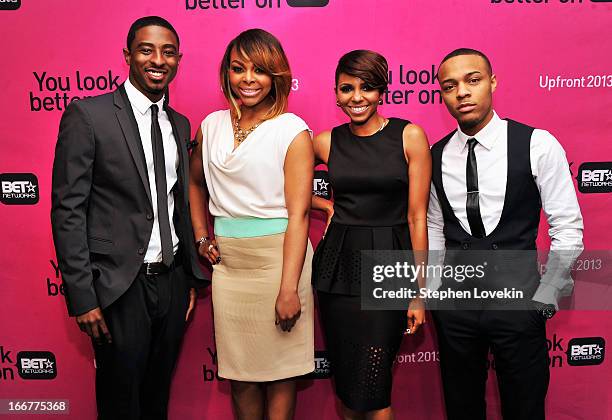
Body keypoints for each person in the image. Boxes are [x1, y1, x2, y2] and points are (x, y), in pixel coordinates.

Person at [51, 16, 207, 420]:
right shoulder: (89, 116)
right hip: (119, 286)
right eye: (146, 49)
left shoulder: (180, 123)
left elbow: (179, 204)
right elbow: (68, 211)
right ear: (128, 56)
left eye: (168, 52)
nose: (158, 59)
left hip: (171, 284)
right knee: (121, 403)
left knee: (157, 399)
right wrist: (83, 296)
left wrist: (187, 275)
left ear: (178, 60)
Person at [428, 48, 584, 420]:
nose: (462, 92)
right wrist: (433, 291)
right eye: (450, 86)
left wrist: (545, 295)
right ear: (443, 94)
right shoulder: (435, 154)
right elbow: (435, 225)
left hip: (519, 303)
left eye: (473, 80)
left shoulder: (537, 144)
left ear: (492, 83)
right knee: (462, 408)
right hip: (455, 307)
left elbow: (567, 226)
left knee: (525, 407)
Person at [189, 29, 314, 419]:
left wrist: (289, 288)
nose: (247, 79)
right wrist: (200, 236)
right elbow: (195, 183)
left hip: (280, 261)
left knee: (281, 375)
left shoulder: (292, 130)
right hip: (229, 268)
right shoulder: (210, 126)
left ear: (276, 76)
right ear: (226, 73)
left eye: (259, 70)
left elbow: (300, 215)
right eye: (238, 68)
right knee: (241, 376)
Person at [311, 50, 431, 419]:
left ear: (382, 91)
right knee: (348, 385)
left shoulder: (409, 136)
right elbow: (282, 185)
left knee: (374, 386)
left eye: (367, 87)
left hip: (390, 265)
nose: (357, 97)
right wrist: (326, 206)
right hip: (338, 268)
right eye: (347, 88)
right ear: (336, 93)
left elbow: (416, 217)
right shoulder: (325, 141)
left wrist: (418, 293)